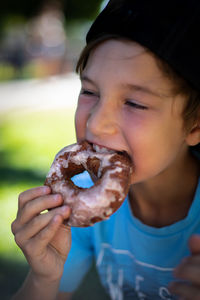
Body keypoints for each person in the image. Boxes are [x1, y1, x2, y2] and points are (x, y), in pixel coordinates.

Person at [11, 0, 200, 299]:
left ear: (194, 126)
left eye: (134, 103)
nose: (96, 124)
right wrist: (43, 279)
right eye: (89, 91)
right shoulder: (80, 205)